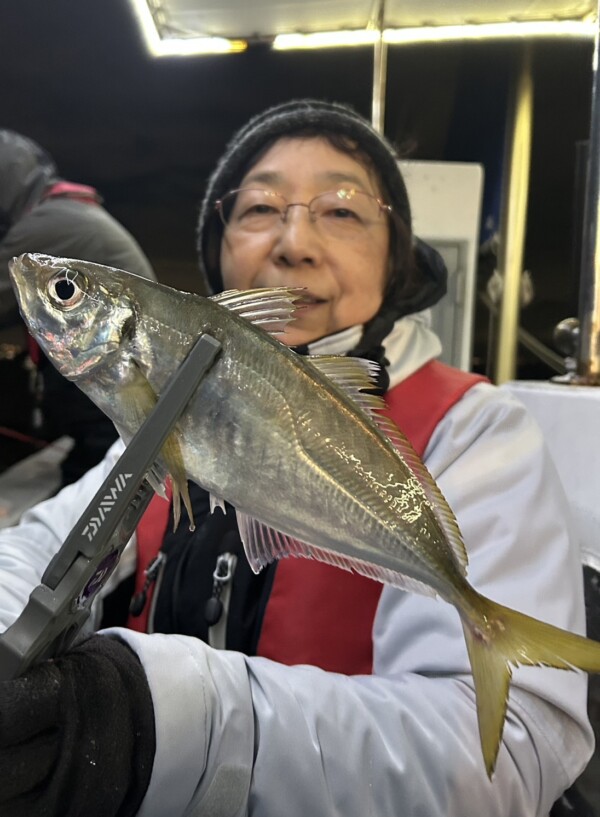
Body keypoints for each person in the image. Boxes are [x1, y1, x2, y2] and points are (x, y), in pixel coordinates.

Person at [0, 100, 594, 817]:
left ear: (397, 255)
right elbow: (37, 548)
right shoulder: (161, 418)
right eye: (259, 208)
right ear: (220, 250)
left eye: (342, 210)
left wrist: (159, 720)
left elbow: (503, 766)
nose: (295, 241)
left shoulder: (476, 430)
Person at [0, 129, 156, 484]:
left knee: (89, 466)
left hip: (118, 385)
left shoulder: (46, 227)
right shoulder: (66, 211)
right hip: (119, 378)